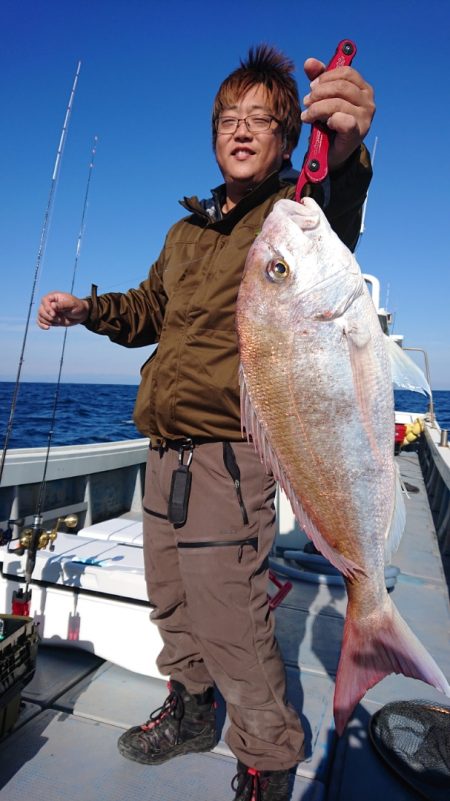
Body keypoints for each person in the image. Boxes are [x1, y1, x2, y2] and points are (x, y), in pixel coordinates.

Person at [38, 45, 375, 801]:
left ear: (288, 140)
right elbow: (147, 311)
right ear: (214, 134)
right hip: (164, 450)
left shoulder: (294, 219)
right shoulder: (185, 234)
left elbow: (334, 223)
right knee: (173, 602)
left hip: (231, 454)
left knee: (231, 614)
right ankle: (191, 708)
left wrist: (347, 154)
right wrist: (87, 310)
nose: (243, 130)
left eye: (262, 119)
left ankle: (268, 754)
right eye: (230, 118)